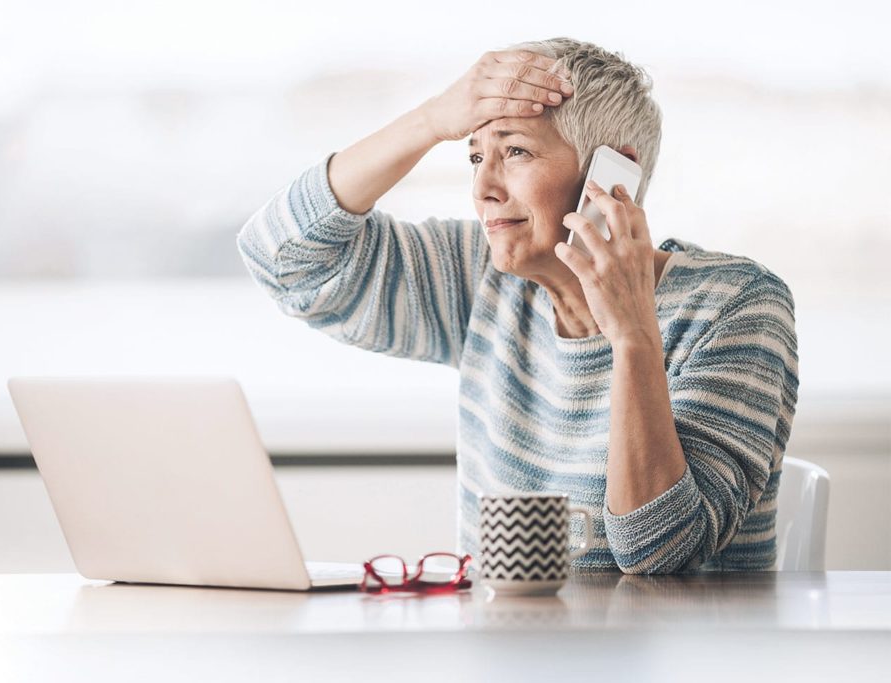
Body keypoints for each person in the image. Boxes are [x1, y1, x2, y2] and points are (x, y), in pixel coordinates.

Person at [236, 37, 799, 574]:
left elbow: (659, 550)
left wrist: (632, 336)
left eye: (516, 152)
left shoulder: (735, 306)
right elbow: (281, 257)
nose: (483, 186)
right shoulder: (482, 277)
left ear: (613, 179)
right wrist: (431, 121)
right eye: (475, 156)